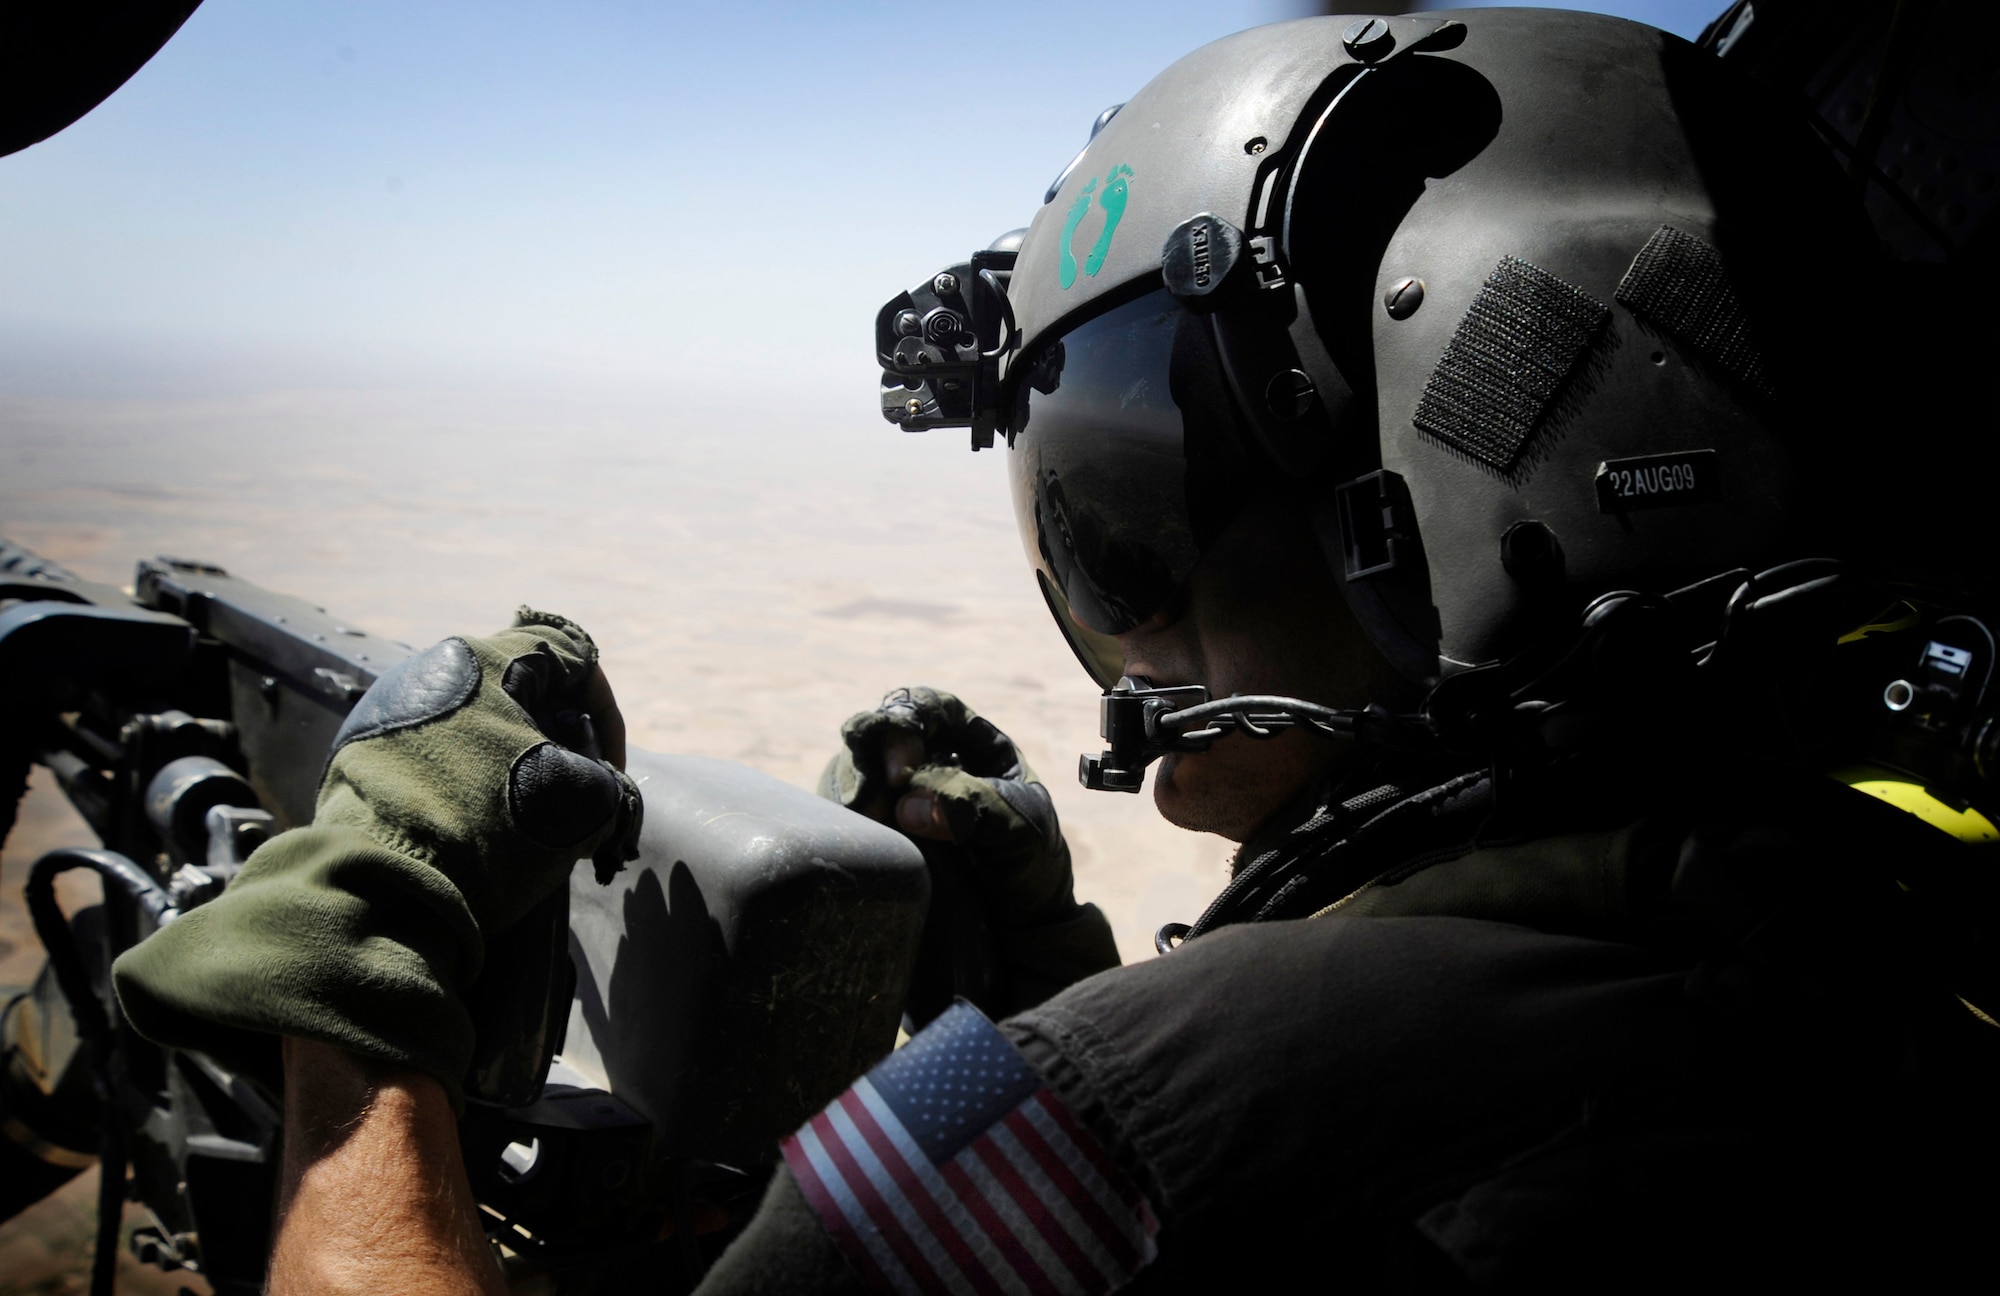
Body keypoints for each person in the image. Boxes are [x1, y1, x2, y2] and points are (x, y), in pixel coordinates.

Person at [110, 8, 2000, 1293]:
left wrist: (354, 981)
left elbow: (1170, 1126)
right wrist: (1040, 975)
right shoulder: (1863, 914)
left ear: (1458, 468)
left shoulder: (1088, 1120)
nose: (1119, 619)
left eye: (1139, 518)